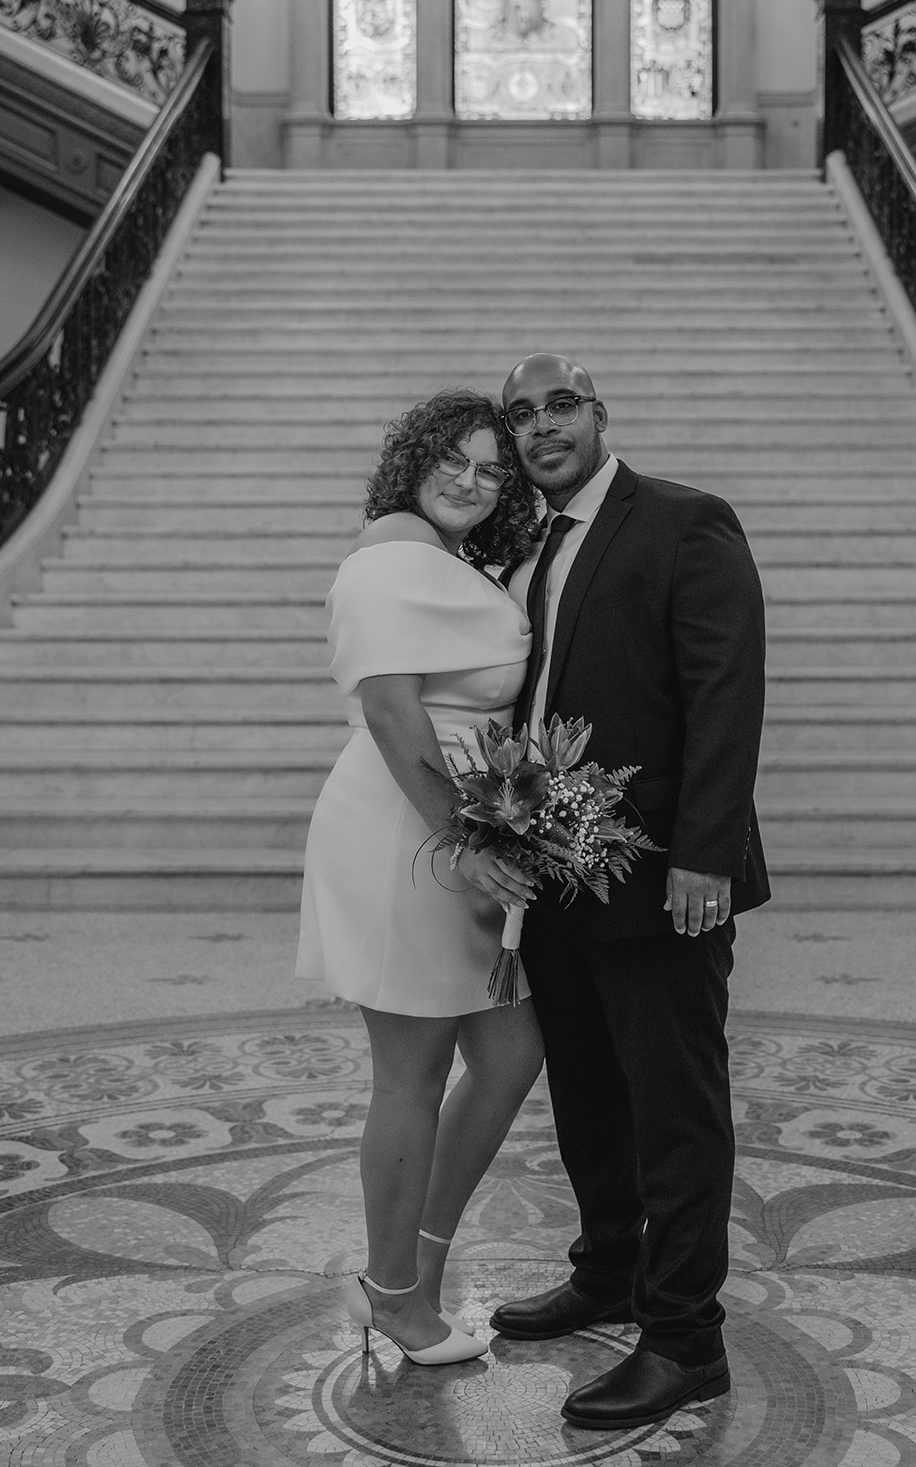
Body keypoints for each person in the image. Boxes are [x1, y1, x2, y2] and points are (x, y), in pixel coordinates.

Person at [489, 353, 770, 1428]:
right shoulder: (524, 544)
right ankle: (605, 1267)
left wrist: (702, 849)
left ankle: (684, 1340)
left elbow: (724, 691)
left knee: (673, 1106)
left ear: (600, 412)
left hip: (662, 877)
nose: (540, 427)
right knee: (589, 1094)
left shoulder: (682, 521)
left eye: (559, 404)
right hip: (557, 874)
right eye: (520, 415)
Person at [296, 388, 544, 1366]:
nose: (472, 481)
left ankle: (413, 1268)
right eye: (454, 458)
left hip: (453, 825)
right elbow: (397, 715)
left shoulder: (438, 558)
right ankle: (391, 1292)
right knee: (410, 1070)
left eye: (492, 469)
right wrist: (464, 838)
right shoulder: (390, 555)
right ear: (414, 458)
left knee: (511, 1050)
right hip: (408, 829)